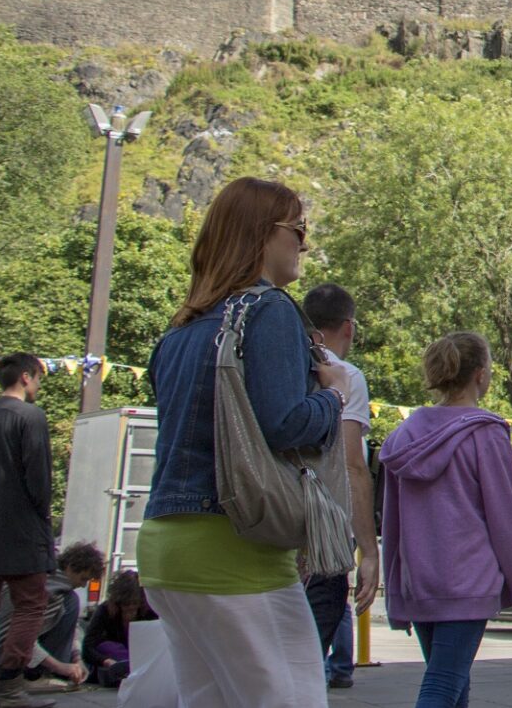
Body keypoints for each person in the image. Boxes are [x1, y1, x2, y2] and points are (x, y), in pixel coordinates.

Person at [138, 177, 349, 708]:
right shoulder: (270, 309)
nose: (304, 242)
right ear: (262, 232)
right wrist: (334, 399)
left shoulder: (180, 328)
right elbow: (283, 423)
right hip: (236, 549)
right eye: (298, 228)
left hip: (166, 548)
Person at [381, 331, 512, 708]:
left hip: (420, 581)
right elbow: (504, 524)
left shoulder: (402, 438)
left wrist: (395, 592)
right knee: (442, 686)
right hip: (468, 581)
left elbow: (393, 525)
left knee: (454, 687)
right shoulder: (486, 435)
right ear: (481, 375)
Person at [299, 282, 379, 691]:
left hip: (275, 522)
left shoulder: (287, 362)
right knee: (310, 653)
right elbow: (352, 464)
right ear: (348, 327)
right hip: (325, 531)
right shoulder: (347, 376)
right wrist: (369, 548)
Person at [0, 353, 57, 708]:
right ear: (25, 377)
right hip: (22, 530)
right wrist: (43, 519)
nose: (37, 385)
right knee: (29, 606)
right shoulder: (30, 416)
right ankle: (10, 685)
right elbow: (38, 478)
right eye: (38, 378)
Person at [0, 542, 106, 690]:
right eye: (83, 579)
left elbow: (72, 629)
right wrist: (59, 667)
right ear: (69, 568)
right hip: (3, 655)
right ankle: (21, 676)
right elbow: (17, 634)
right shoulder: (39, 585)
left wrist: (77, 658)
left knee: (71, 601)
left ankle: (45, 673)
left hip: (27, 647)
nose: (83, 586)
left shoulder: (61, 592)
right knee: (70, 601)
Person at [81, 570, 156, 689]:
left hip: (140, 655)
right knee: (107, 646)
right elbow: (88, 646)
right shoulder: (104, 610)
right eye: (126, 604)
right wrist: (106, 661)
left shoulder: (150, 612)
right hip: (116, 658)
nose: (130, 608)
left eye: (135, 603)